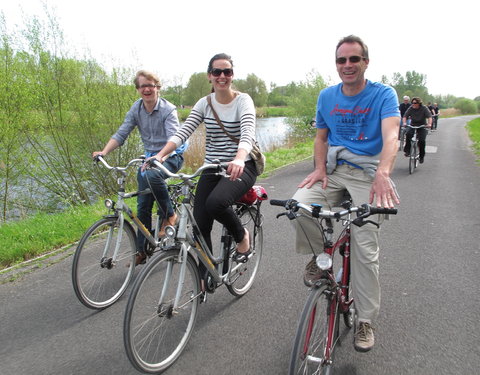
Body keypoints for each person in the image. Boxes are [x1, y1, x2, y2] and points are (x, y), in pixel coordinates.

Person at [291, 35, 400, 352]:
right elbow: (321, 137)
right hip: (335, 171)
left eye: (354, 59)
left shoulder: (383, 95)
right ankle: (317, 257)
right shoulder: (327, 96)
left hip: (369, 173)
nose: (348, 65)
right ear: (336, 64)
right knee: (298, 206)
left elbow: (391, 136)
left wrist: (383, 173)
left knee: (365, 249)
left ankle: (364, 320)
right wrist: (320, 167)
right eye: (342, 60)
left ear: (366, 62)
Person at [152, 53, 258, 268]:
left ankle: (242, 236)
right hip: (212, 166)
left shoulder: (243, 101)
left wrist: (238, 158)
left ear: (232, 75)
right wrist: (161, 155)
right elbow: (184, 131)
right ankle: (205, 275)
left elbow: (247, 132)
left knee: (216, 203)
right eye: (217, 72)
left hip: (242, 165)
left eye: (226, 71)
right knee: (200, 223)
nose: (222, 76)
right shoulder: (205, 103)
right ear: (209, 76)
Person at [92, 70, 185, 265]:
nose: (147, 89)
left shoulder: (168, 110)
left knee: (152, 176)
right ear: (138, 89)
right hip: (149, 159)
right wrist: (104, 152)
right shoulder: (137, 109)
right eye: (142, 86)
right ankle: (142, 250)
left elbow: (173, 140)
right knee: (142, 206)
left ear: (157, 87)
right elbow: (121, 133)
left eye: (150, 85)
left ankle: (170, 215)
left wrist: (160, 157)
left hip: (172, 155)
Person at [402, 97, 432, 163]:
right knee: (408, 134)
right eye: (412, 103)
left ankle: (421, 156)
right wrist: (404, 122)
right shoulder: (411, 108)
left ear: (419, 103)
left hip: (422, 126)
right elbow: (405, 116)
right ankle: (407, 150)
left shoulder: (424, 108)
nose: (413, 104)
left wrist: (429, 124)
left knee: (421, 140)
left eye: (415, 103)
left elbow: (429, 117)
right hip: (413, 125)